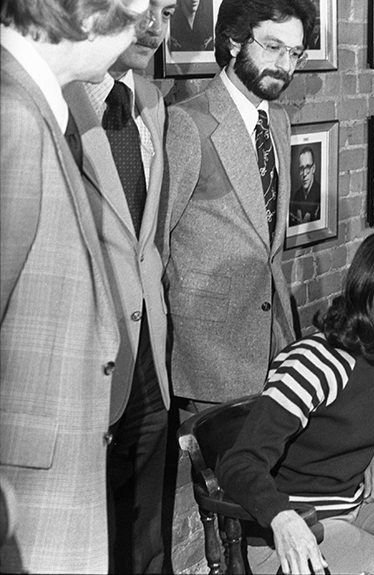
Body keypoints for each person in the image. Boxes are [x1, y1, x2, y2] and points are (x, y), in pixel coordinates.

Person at [0, 0, 149, 571]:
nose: (139, 33)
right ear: (90, 16)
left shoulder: (33, 105)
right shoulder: (13, 115)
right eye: (134, 16)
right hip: (25, 496)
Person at [218, 230, 374, 575]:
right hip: (292, 530)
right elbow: (239, 462)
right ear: (365, 292)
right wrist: (281, 516)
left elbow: (371, 415)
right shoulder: (314, 363)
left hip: (358, 507)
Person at [61, 0, 176, 571]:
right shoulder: (54, 101)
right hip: (88, 358)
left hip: (149, 355)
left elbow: (147, 240)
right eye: (146, 7)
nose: (156, 25)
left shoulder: (152, 101)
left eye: (170, 9)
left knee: (146, 530)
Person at [162, 0, 316, 407]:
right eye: (272, 46)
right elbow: (156, 249)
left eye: (295, 53)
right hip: (208, 356)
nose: (285, 64)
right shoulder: (188, 123)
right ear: (233, 42)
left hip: (274, 341)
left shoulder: (278, 120)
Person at [289, 146, 321, 225]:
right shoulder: (296, 196)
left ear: (313, 168)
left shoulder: (320, 194)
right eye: (301, 168)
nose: (304, 173)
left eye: (308, 167)